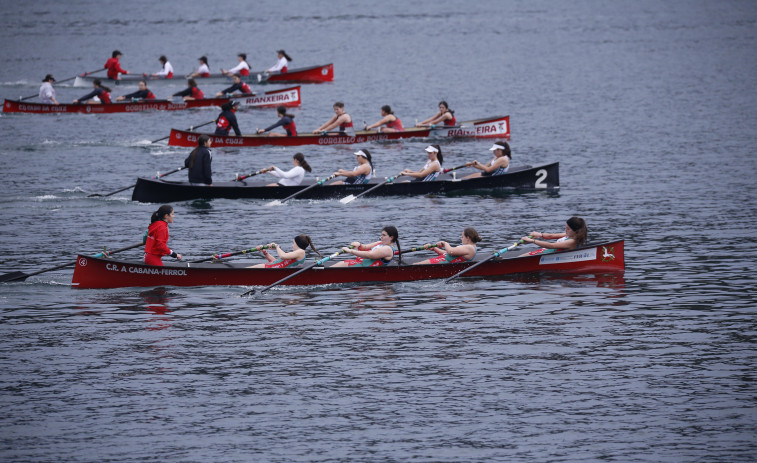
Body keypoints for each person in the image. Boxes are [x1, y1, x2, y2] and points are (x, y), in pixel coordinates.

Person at [331, 226, 401, 268]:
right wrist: (359, 244)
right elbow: (364, 248)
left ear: (391, 237)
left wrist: (350, 251)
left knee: (342, 264)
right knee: (341, 262)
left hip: (365, 268)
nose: (381, 237)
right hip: (360, 263)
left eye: (384, 235)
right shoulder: (380, 243)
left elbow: (370, 255)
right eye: (381, 234)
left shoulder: (388, 249)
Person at [413, 228, 481, 265]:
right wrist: (434, 248)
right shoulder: (467, 247)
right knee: (414, 264)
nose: (461, 239)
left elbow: (451, 251)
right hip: (441, 261)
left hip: (442, 263)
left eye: (462, 237)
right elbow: (447, 253)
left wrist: (445, 243)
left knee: (414, 265)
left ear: (468, 238)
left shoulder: (470, 248)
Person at [250, 235, 321, 268]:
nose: (292, 246)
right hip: (270, 268)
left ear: (298, 244)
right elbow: (277, 262)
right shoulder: (294, 254)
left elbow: (283, 256)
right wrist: (265, 252)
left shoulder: (301, 252)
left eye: (293, 243)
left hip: (268, 269)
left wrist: (277, 246)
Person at [521, 217, 588, 252]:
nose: (565, 230)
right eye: (565, 228)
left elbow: (551, 245)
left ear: (575, 231)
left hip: (549, 255)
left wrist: (532, 241)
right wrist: (540, 234)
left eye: (568, 229)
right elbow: (551, 236)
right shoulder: (568, 235)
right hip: (546, 251)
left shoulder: (571, 241)